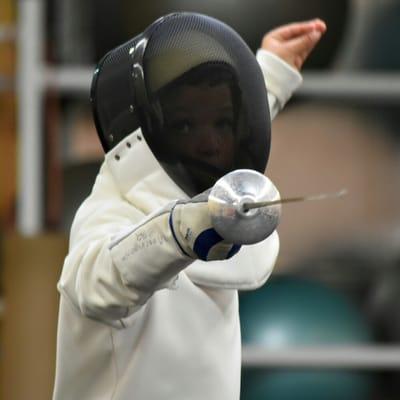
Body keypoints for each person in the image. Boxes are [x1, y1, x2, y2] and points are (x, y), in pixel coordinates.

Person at [53, 13, 326, 400]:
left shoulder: (210, 192)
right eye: (184, 127)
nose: (211, 143)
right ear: (148, 130)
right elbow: (98, 284)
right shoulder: (113, 211)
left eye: (222, 125)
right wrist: (178, 233)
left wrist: (273, 70)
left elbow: (225, 121)